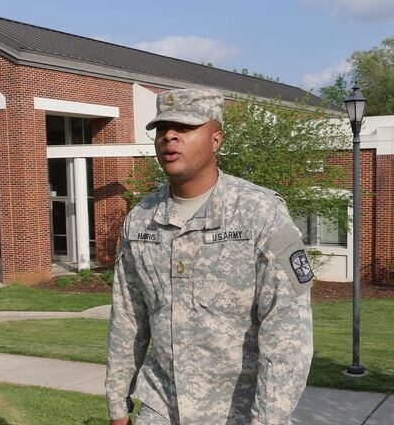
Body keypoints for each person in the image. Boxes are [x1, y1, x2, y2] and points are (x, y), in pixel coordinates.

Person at [106, 88, 314, 425]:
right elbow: (128, 317)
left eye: (185, 128)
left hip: (238, 411)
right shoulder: (141, 219)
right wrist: (118, 404)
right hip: (161, 406)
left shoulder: (260, 213)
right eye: (162, 129)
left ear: (216, 139)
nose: (169, 136)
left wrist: (268, 420)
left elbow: (288, 333)